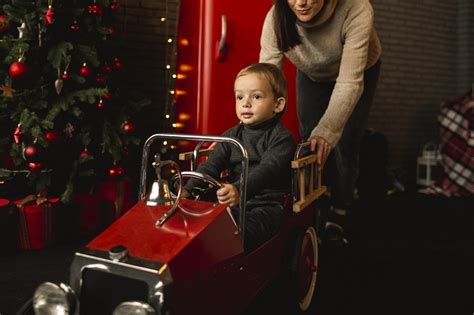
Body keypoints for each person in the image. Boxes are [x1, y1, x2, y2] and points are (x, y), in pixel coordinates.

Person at [259, 0, 382, 244]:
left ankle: (340, 210)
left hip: (358, 71)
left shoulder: (356, 9)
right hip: (312, 72)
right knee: (309, 141)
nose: (301, 3)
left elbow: (349, 83)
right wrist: (256, 130)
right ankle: (316, 203)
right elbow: (266, 79)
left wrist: (327, 131)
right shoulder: (276, 16)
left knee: (344, 142)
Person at [183, 63, 297, 252]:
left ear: (278, 104)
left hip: (267, 205)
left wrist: (239, 189)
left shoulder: (282, 139)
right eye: (240, 97)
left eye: (256, 96)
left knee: (241, 232)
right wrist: (187, 190)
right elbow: (211, 165)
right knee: (201, 222)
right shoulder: (231, 135)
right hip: (233, 200)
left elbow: (267, 170)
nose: (246, 103)